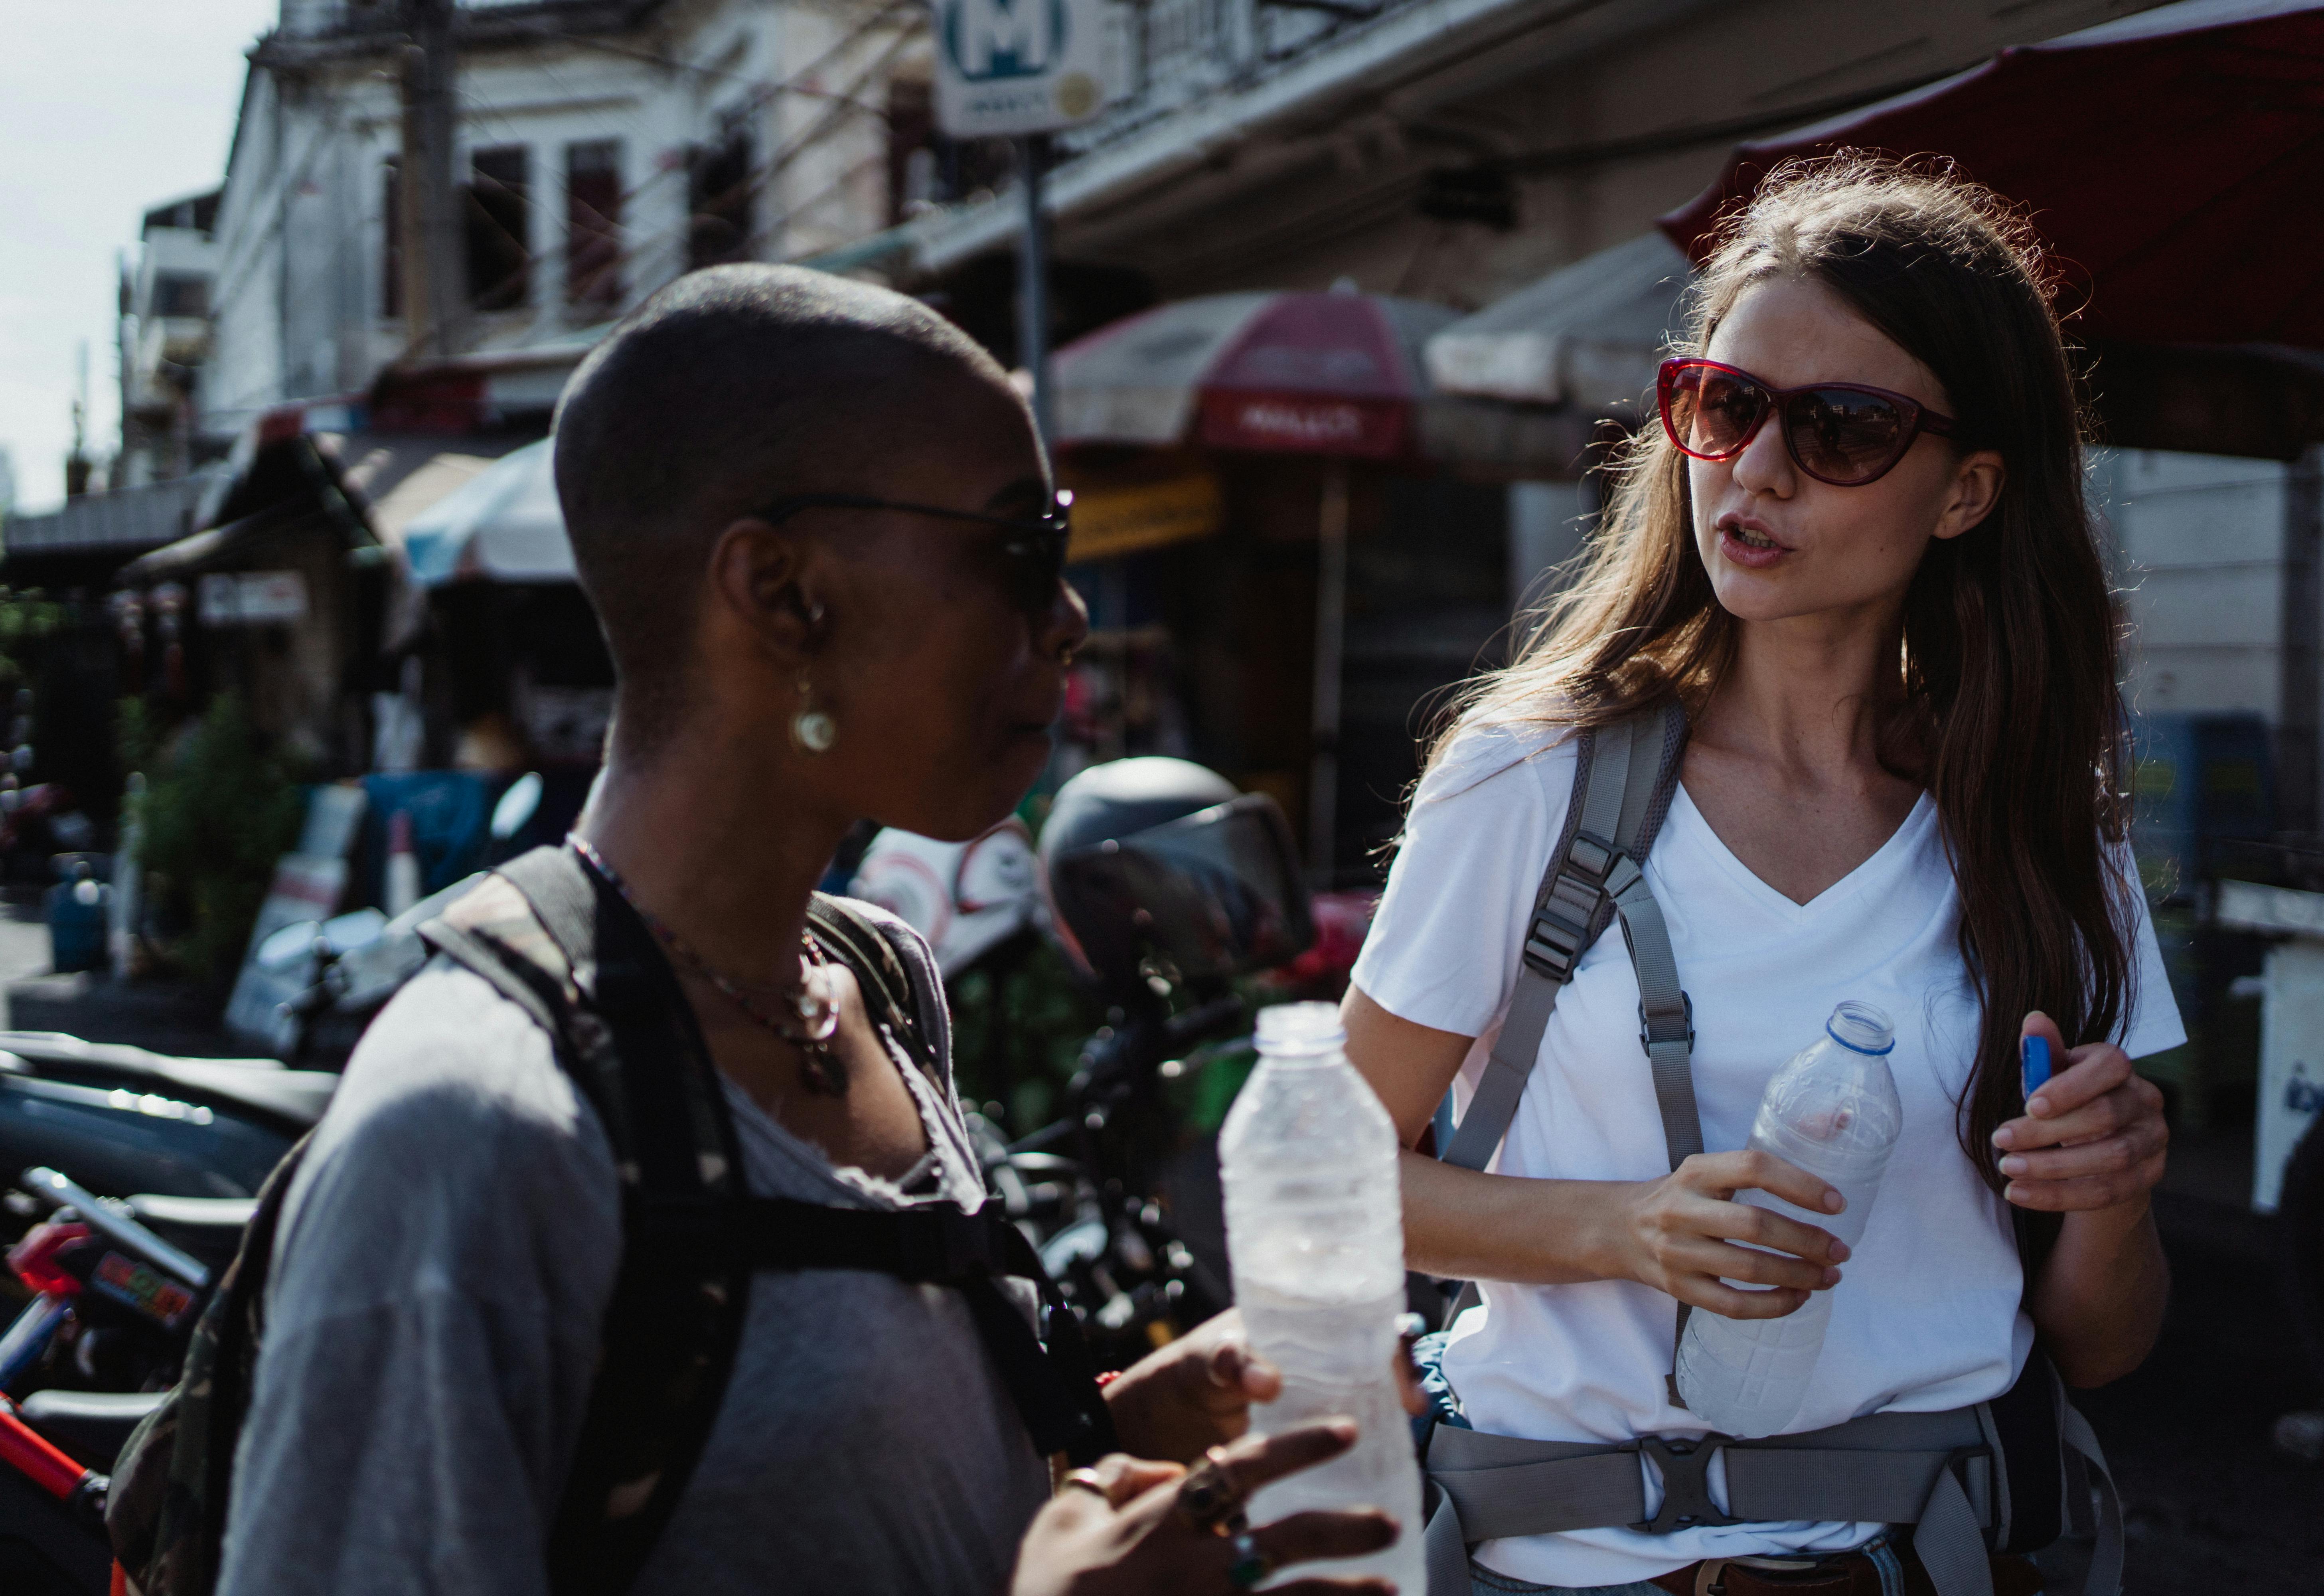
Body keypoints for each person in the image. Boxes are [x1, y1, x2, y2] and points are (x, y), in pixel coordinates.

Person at [217, 264, 1401, 1596]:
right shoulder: (472, 1135)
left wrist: (1114, 1435)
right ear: (779, 593)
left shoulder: (876, 986)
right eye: (1024, 548)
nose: (1067, 618)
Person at [1341, 158, 2183, 1595]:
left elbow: (2105, 1342)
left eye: (1844, 428)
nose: (1759, 469)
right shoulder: (1530, 778)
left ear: (1970, 489)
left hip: (1939, 1557)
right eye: (1725, 404)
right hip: (1572, 1560)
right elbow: (1327, 1180)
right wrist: (1623, 1228)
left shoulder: (2043, 830)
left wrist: (2110, 1190)